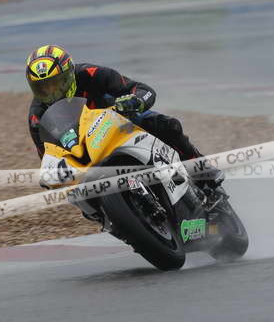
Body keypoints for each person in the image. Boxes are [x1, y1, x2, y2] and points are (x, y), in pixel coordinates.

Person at [26, 45, 224, 203]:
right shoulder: (37, 116)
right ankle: (109, 217)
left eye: (56, 83)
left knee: (166, 125)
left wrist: (135, 101)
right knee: (74, 194)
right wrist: (52, 175)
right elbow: (47, 154)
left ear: (69, 74)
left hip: (119, 125)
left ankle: (205, 174)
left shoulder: (90, 73)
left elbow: (143, 89)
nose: (51, 92)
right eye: (42, 88)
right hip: (85, 152)